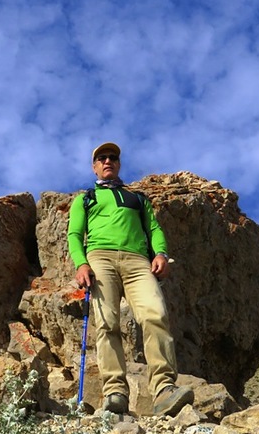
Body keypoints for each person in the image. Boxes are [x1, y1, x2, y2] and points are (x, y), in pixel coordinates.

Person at [67, 141, 194, 416]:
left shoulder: (138, 198)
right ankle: (114, 392)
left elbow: (154, 229)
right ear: (94, 166)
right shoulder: (85, 199)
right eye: (101, 158)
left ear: (119, 163)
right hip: (100, 257)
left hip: (138, 261)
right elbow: (75, 235)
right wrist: (81, 263)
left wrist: (160, 253)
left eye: (112, 157)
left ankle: (163, 389)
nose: (107, 161)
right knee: (107, 322)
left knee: (155, 314)